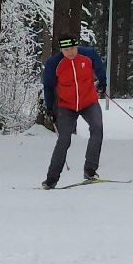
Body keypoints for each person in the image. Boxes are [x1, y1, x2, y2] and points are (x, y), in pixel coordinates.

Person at [40, 35, 107, 189]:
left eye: (72, 49)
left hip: (89, 101)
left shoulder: (88, 55)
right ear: (61, 50)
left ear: (77, 46)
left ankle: (90, 170)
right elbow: (49, 87)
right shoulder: (54, 64)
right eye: (65, 50)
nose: (69, 52)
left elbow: (99, 69)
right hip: (67, 106)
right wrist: (50, 108)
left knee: (97, 128)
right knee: (64, 139)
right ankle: (51, 179)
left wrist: (103, 83)